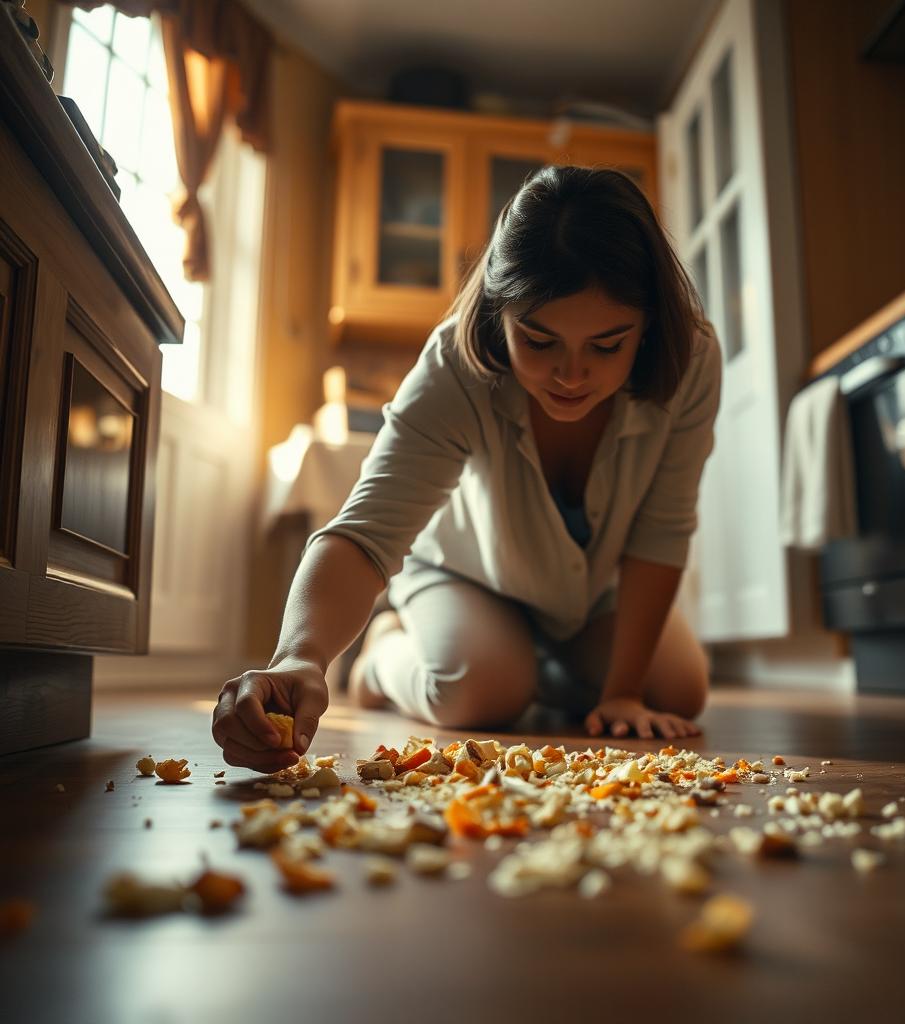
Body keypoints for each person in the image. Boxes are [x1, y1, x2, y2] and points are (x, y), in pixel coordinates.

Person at [212, 165, 721, 774]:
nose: (570, 374)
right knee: (479, 692)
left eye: (607, 346)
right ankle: (384, 655)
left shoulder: (691, 360)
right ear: (499, 313)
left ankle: (541, 670)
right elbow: (366, 530)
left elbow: (661, 532)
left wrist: (623, 693)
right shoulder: (454, 363)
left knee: (679, 691)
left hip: (592, 590)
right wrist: (301, 657)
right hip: (463, 573)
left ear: (649, 327)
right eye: (538, 340)